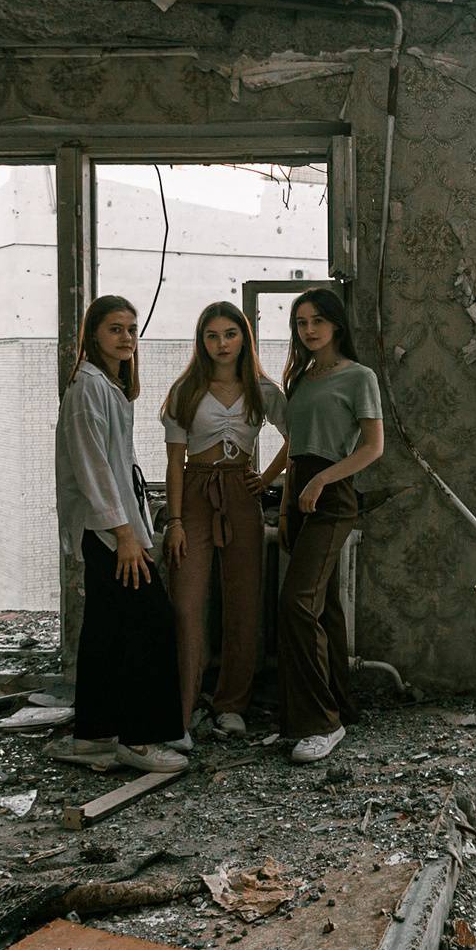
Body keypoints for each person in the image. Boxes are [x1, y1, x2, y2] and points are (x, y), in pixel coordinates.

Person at [53, 295, 187, 773]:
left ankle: (94, 734)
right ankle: (141, 739)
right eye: (115, 329)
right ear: (93, 334)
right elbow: (93, 468)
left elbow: (116, 465)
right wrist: (126, 536)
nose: (127, 337)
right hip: (110, 532)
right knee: (151, 626)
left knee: (106, 632)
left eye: (132, 329)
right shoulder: (88, 387)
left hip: (116, 527)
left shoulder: (108, 385)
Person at [255, 287, 384, 764]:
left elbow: (372, 448)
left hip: (332, 499)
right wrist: (268, 484)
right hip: (299, 497)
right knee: (323, 608)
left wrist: (319, 483)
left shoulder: (359, 377)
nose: (308, 330)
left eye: (316, 321)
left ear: (336, 324)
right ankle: (339, 709)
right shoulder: (303, 378)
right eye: (300, 323)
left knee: (295, 604)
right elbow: (295, 444)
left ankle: (321, 725)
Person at [161, 302, 284, 741]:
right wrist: (174, 521)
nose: (221, 344)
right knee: (187, 604)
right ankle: (181, 710)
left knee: (244, 602)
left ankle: (233, 704)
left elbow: (296, 436)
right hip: (194, 492)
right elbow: (175, 463)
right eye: (212, 336)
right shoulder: (186, 390)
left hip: (241, 493)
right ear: (202, 341)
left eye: (230, 334)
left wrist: (266, 479)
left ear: (244, 338)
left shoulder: (262, 389)